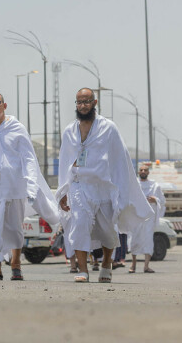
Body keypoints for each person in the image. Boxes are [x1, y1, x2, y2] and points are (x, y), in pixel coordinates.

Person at [57, 88, 152, 284]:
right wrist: (63, 191)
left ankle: (107, 263)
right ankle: (83, 270)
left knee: (108, 230)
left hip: (103, 187)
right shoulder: (69, 131)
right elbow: (64, 161)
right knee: (79, 223)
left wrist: (122, 191)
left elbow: (120, 160)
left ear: (95, 102)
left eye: (86, 101)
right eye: (79, 102)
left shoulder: (108, 128)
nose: (83, 106)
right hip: (79, 185)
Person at [0, 92, 58, 282]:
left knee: (15, 228)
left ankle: (16, 265)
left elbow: (28, 158)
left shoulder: (16, 128)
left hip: (13, 187)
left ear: (4, 105)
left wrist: (31, 183)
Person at [129, 165, 165, 274]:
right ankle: (133, 264)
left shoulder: (155, 186)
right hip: (137, 216)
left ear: (148, 172)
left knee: (148, 240)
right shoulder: (134, 184)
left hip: (149, 217)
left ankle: (146, 266)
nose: (143, 171)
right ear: (138, 172)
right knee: (134, 239)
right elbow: (128, 198)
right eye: (141, 170)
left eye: (145, 170)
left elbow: (162, 201)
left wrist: (155, 199)